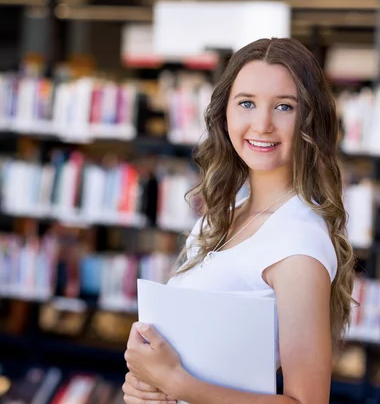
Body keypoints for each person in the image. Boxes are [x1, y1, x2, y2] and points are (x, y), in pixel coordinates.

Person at [122, 37, 356, 404]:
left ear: (310, 118)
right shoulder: (221, 218)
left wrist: (176, 382)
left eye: (284, 107)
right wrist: (147, 384)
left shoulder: (298, 244)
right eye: (247, 103)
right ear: (225, 113)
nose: (262, 124)